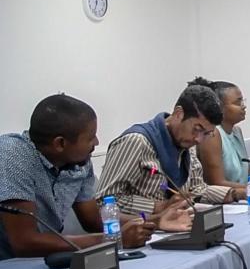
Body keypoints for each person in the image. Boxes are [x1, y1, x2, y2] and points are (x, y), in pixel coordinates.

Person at [0, 95, 191, 260]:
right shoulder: (13, 156)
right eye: (90, 137)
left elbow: (93, 220)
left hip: (44, 261)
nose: (97, 142)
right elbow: (24, 242)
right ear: (60, 143)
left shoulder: (78, 160)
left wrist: (155, 221)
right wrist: (113, 240)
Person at [97, 84, 247, 216]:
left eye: (206, 134)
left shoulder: (185, 143)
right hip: (141, 229)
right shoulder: (136, 142)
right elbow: (104, 201)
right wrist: (158, 207)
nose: (199, 139)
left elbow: (197, 190)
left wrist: (236, 193)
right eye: (197, 129)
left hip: (175, 226)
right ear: (178, 114)